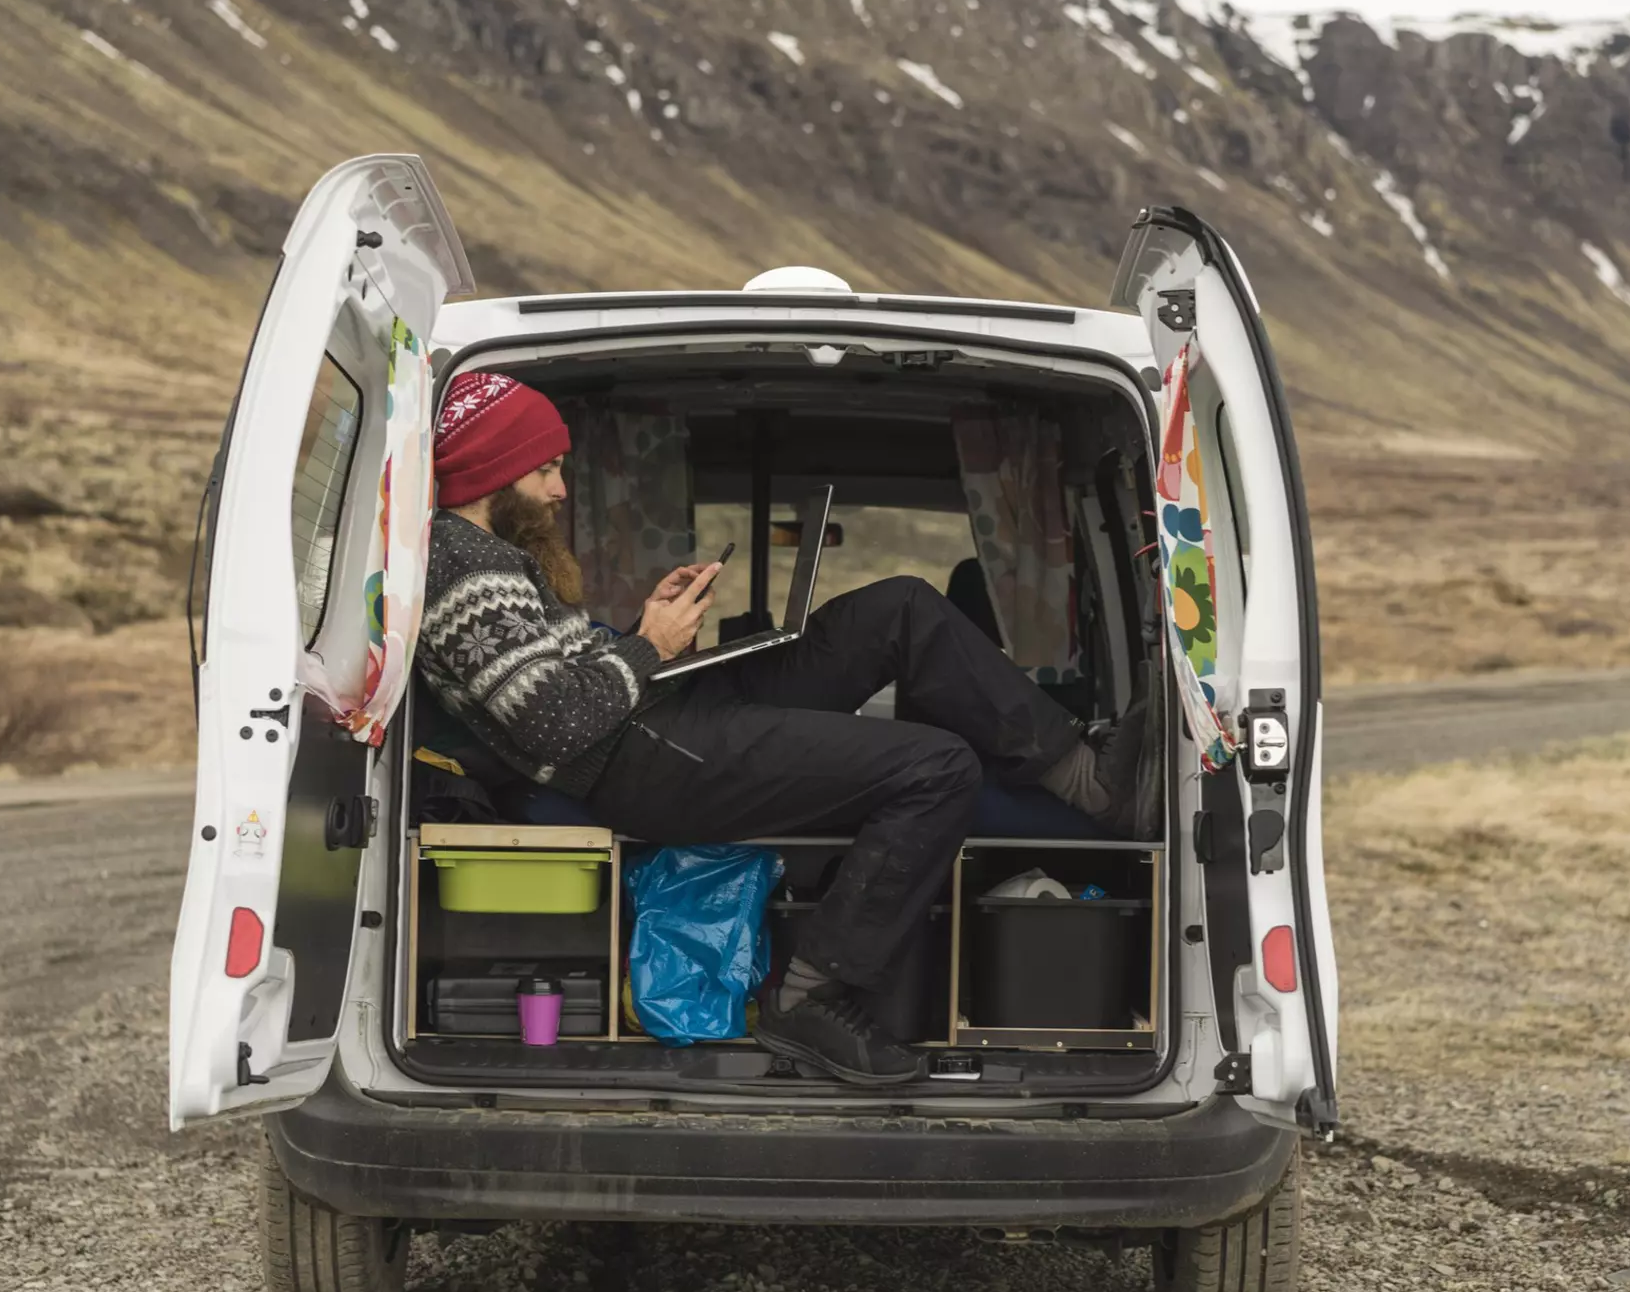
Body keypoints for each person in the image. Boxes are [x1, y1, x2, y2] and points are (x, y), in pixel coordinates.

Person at [414, 372, 1145, 1085]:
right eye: (543, 469)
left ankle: (1088, 779)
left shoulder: (487, 555)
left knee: (897, 608)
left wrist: (642, 631)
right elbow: (552, 722)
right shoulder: (464, 563)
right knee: (938, 766)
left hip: (660, 715)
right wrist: (650, 647)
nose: (559, 489)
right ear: (492, 469)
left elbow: (554, 682)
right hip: (638, 761)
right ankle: (808, 996)